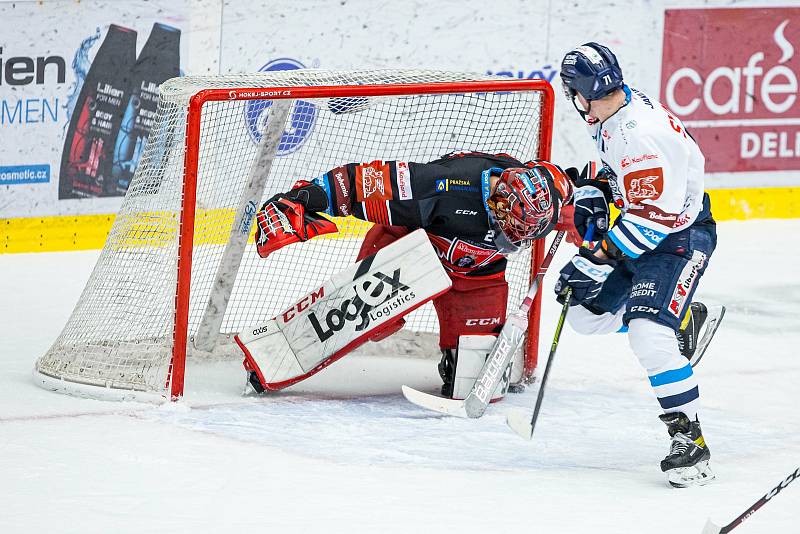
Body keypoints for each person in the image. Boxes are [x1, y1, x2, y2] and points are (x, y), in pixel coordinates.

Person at [250, 151, 574, 399]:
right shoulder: (442, 186)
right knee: (363, 320)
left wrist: (585, 219)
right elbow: (357, 184)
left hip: (478, 274)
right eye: (509, 222)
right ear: (498, 197)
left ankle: (455, 358)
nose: (513, 237)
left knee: (474, 382)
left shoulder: (543, 195)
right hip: (412, 251)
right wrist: (299, 201)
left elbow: (580, 190)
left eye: (524, 233)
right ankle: (268, 359)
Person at [556, 42, 721, 487]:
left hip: (679, 238)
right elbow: (621, 174)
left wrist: (594, 259)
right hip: (646, 226)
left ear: (583, 92)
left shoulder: (640, 134)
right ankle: (678, 319)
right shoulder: (615, 109)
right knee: (585, 315)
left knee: (649, 335)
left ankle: (691, 442)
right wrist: (595, 189)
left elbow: (651, 225)